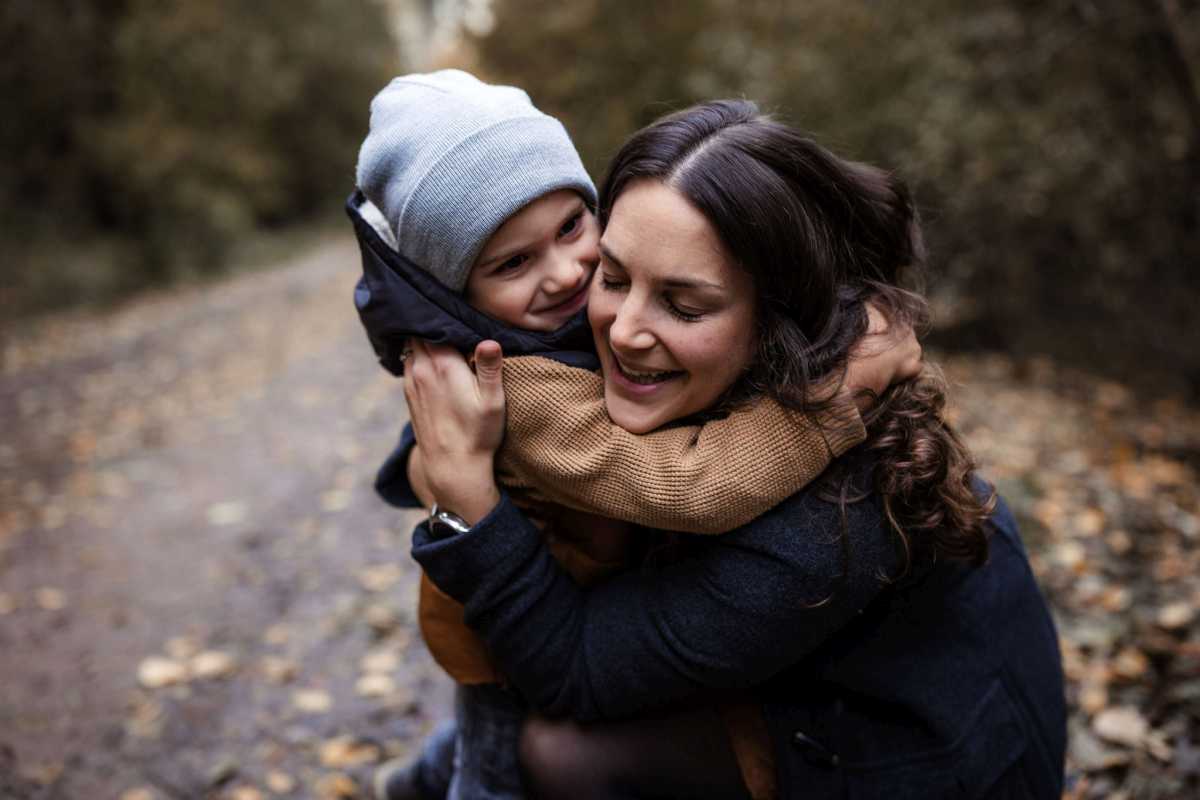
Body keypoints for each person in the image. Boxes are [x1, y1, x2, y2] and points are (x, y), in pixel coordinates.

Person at [398, 99, 1068, 799]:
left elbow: (576, 669)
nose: (623, 330)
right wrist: (432, 459)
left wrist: (469, 502)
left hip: (925, 761)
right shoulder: (670, 355)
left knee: (554, 749)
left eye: (684, 307)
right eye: (615, 277)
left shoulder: (828, 520)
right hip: (801, 683)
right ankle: (426, 774)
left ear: (780, 317)